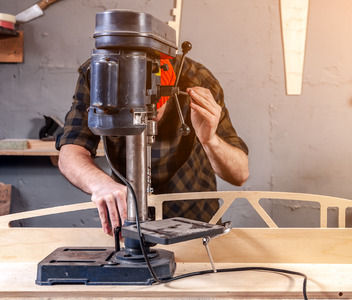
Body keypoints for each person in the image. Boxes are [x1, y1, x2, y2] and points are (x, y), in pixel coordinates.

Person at [56, 54, 249, 235]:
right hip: (130, 219)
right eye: (131, 112)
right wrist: (101, 185)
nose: (147, 120)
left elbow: (239, 174)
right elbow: (71, 151)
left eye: (153, 111)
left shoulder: (195, 79)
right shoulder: (98, 74)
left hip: (196, 221)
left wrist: (210, 140)